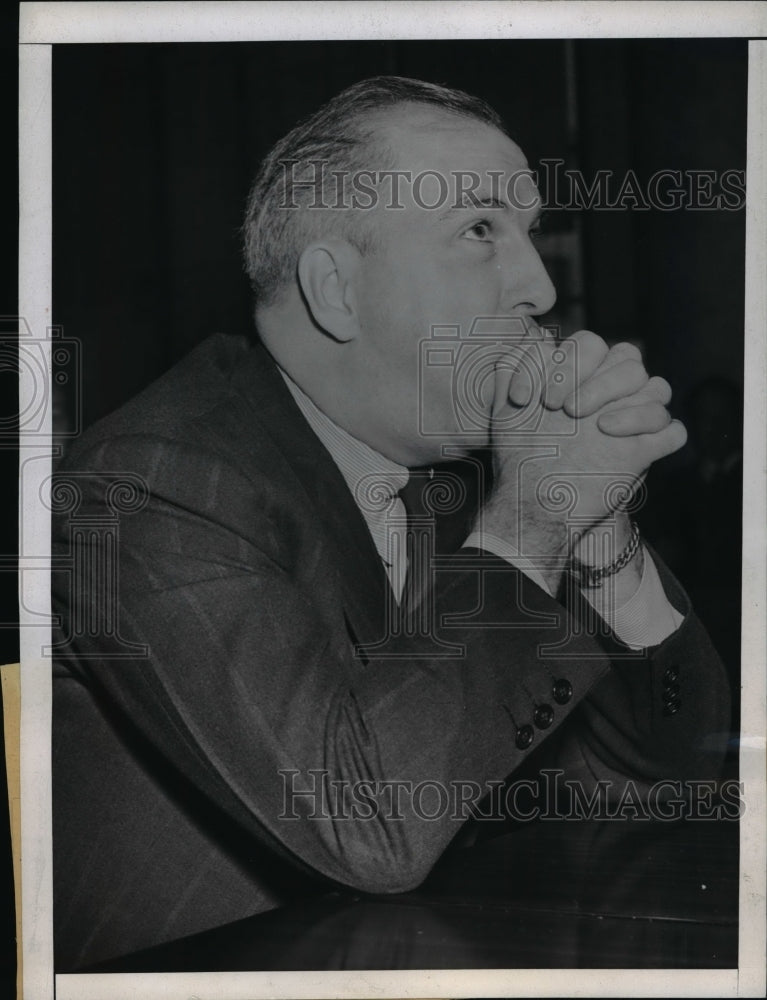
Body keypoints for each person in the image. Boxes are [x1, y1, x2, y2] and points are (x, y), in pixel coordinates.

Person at [51, 76, 730, 971]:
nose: (536, 284)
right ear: (336, 289)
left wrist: (597, 530)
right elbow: (365, 826)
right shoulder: (151, 481)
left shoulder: (462, 479)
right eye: (479, 230)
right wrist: (529, 522)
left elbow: (672, 777)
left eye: (527, 234)